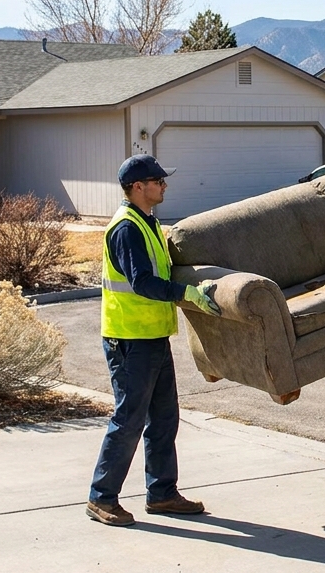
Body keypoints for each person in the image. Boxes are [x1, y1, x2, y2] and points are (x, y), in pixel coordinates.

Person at [86, 154, 223, 527]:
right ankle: (101, 498)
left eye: (163, 180)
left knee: (164, 418)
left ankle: (162, 493)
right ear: (137, 187)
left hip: (152, 337)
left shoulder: (148, 221)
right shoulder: (127, 228)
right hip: (129, 341)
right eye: (157, 180)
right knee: (129, 419)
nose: (164, 185)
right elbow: (142, 283)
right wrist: (186, 293)